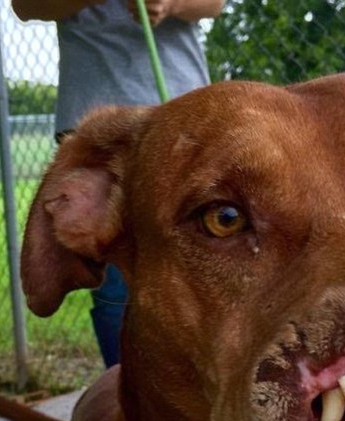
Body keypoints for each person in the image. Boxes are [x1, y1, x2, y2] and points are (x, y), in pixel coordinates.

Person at [12, 0, 225, 366]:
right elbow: (26, 5)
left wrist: (172, 3)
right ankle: (126, 399)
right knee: (116, 285)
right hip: (100, 129)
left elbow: (214, 4)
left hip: (185, 115)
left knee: (210, 265)